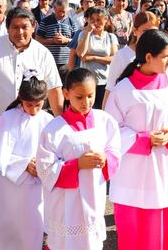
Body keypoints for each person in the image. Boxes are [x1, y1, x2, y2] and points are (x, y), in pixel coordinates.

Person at [105, 30, 168, 250]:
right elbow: (111, 130)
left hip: (164, 166)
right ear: (148, 57)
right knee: (136, 231)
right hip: (133, 173)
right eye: (165, 56)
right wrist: (143, 139)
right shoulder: (123, 89)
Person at [36, 68, 121, 250]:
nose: (87, 102)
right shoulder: (54, 129)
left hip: (93, 194)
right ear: (66, 94)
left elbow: (115, 150)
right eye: (79, 97)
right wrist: (76, 165)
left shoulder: (105, 121)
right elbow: (45, 168)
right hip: (66, 201)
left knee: (91, 243)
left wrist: (106, 158)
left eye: (90, 95)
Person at [0, 77, 53, 250]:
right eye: (29, 105)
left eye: (38, 105)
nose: (33, 110)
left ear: (44, 100)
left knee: (29, 226)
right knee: (1, 225)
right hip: (6, 186)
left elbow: (53, 152)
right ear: (20, 98)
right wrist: (24, 164)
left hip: (34, 186)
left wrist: (41, 164)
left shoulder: (47, 120)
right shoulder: (8, 118)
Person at [0, 8, 64, 138]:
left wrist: (60, 124)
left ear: (34, 27)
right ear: (7, 28)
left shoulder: (43, 54)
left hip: (30, 125)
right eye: (15, 27)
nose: (20, 32)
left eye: (25, 27)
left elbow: (54, 90)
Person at [102, 11, 160, 109]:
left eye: (153, 31)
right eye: (145, 31)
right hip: (126, 110)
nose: (150, 35)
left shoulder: (161, 55)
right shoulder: (122, 55)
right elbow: (110, 88)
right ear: (135, 31)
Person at [76, 7, 118, 108]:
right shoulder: (83, 34)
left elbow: (114, 59)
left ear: (105, 19)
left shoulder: (111, 37)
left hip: (105, 81)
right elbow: (81, 53)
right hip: (87, 80)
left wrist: (94, 58)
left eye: (98, 20)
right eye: (92, 20)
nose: (96, 23)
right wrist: (87, 33)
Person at [36, 0, 78, 74]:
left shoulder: (71, 22)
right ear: (54, 8)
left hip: (66, 62)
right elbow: (38, 40)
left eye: (64, 12)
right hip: (49, 61)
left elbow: (76, 41)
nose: (61, 14)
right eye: (59, 11)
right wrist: (52, 41)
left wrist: (66, 40)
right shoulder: (45, 21)